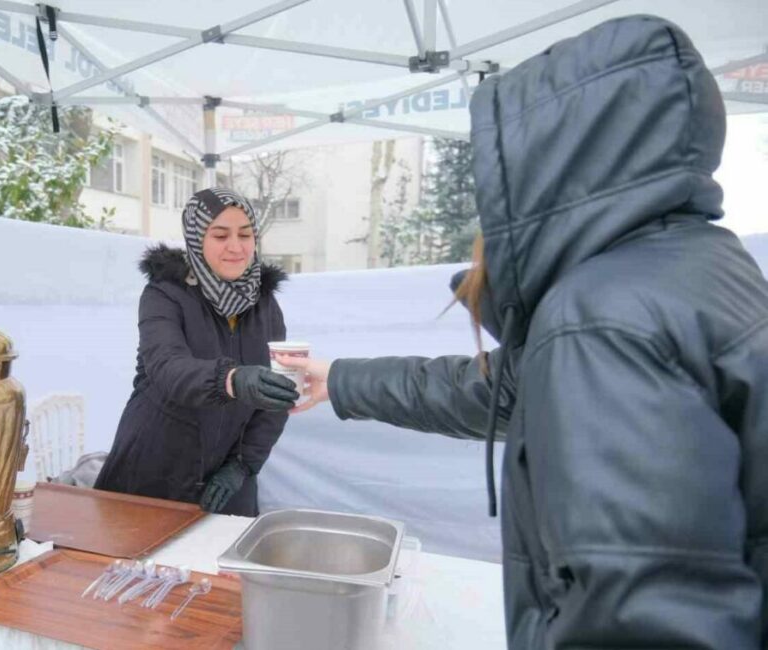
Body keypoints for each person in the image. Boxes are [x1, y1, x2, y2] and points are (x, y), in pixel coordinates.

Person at [279, 15, 767, 649]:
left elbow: (642, 625)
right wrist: (341, 380)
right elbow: (504, 389)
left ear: (547, 165)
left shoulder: (601, 318)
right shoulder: (699, 265)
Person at [94, 187, 298, 516]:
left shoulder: (265, 305)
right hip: (154, 469)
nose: (236, 246)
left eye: (245, 234)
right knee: (139, 564)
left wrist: (244, 466)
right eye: (220, 235)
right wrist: (232, 380)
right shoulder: (165, 294)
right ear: (196, 238)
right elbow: (167, 367)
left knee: (224, 564)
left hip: (227, 481)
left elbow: (276, 397)